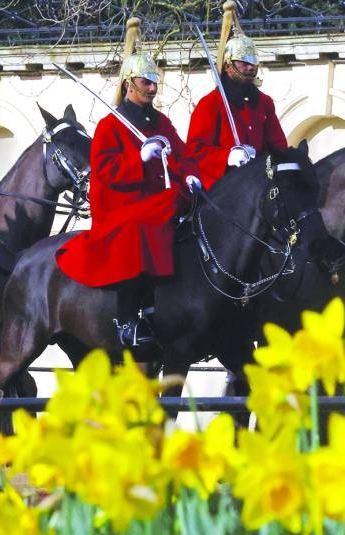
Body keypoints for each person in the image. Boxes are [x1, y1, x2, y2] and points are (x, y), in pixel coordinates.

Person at [55, 18, 201, 356]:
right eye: (145, 82)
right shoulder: (110, 124)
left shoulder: (161, 122)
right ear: (129, 84)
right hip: (124, 204)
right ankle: (127, 318)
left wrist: (191, 174)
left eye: (154, 82)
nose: (152, 88)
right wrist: (140, 158)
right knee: (141, 226)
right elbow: (105, 170)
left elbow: (180, 154)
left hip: (160, 197)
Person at [186, 1, 288, 189]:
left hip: (257, 182)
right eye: (243, 62)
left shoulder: (264, 103)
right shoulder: (210, 104)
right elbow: (194, 151)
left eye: (253, 62)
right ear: (227, 65)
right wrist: (226, 157)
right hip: (223, 184)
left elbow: (278, 144)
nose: (250, 68)